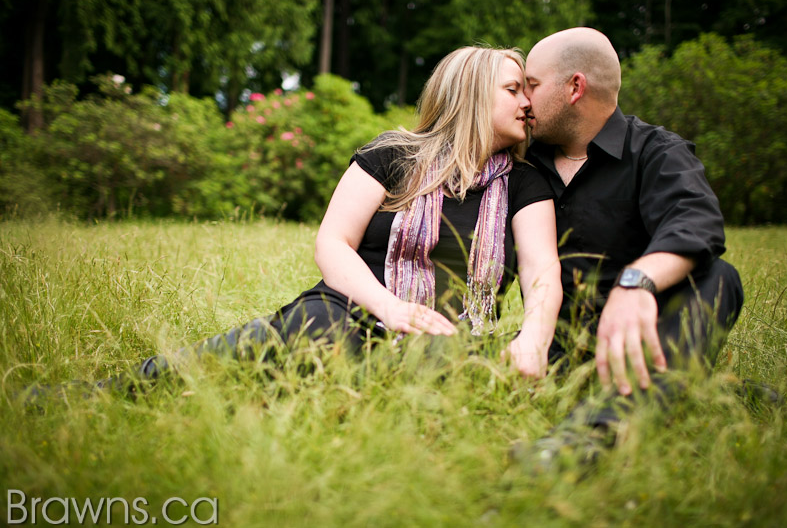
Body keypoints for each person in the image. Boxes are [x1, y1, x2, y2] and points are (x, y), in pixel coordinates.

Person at [96, 46, 563, 388]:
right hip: (353, 311)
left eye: (528, 92)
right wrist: (391, 309)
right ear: (473, 94)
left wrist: (534, 341)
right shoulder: (392, 155)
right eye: (513, 90)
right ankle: (121, 390)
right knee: (311, 338)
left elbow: (542, 270)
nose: (528, 103)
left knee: (459, 373)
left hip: (450, 336)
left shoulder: (525, 183)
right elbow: (332, 242)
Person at [512, 27, 744, 461]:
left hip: (641, 337)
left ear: (575, 87)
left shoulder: (656, 153)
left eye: (533, 85)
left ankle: (583, 443)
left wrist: (636, 282)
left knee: (718, 277)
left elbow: (696, 223)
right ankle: (699, 391)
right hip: (553, 345)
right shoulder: (520, 164)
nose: (523, 101)